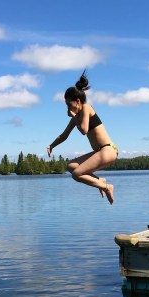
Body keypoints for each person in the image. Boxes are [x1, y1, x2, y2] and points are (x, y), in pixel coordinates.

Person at [47, 70, 118, 204]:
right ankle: (100, 181)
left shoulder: (86, 107)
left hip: (108, 150)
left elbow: (84, 130)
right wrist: (52, 145)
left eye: (69, 104)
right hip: (99, 152)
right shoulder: (77, 117)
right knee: (71, 166)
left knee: (76, 174)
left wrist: (74, 117)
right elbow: (64, 135)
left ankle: (106, 187)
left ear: (77, 101)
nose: (68, 108)